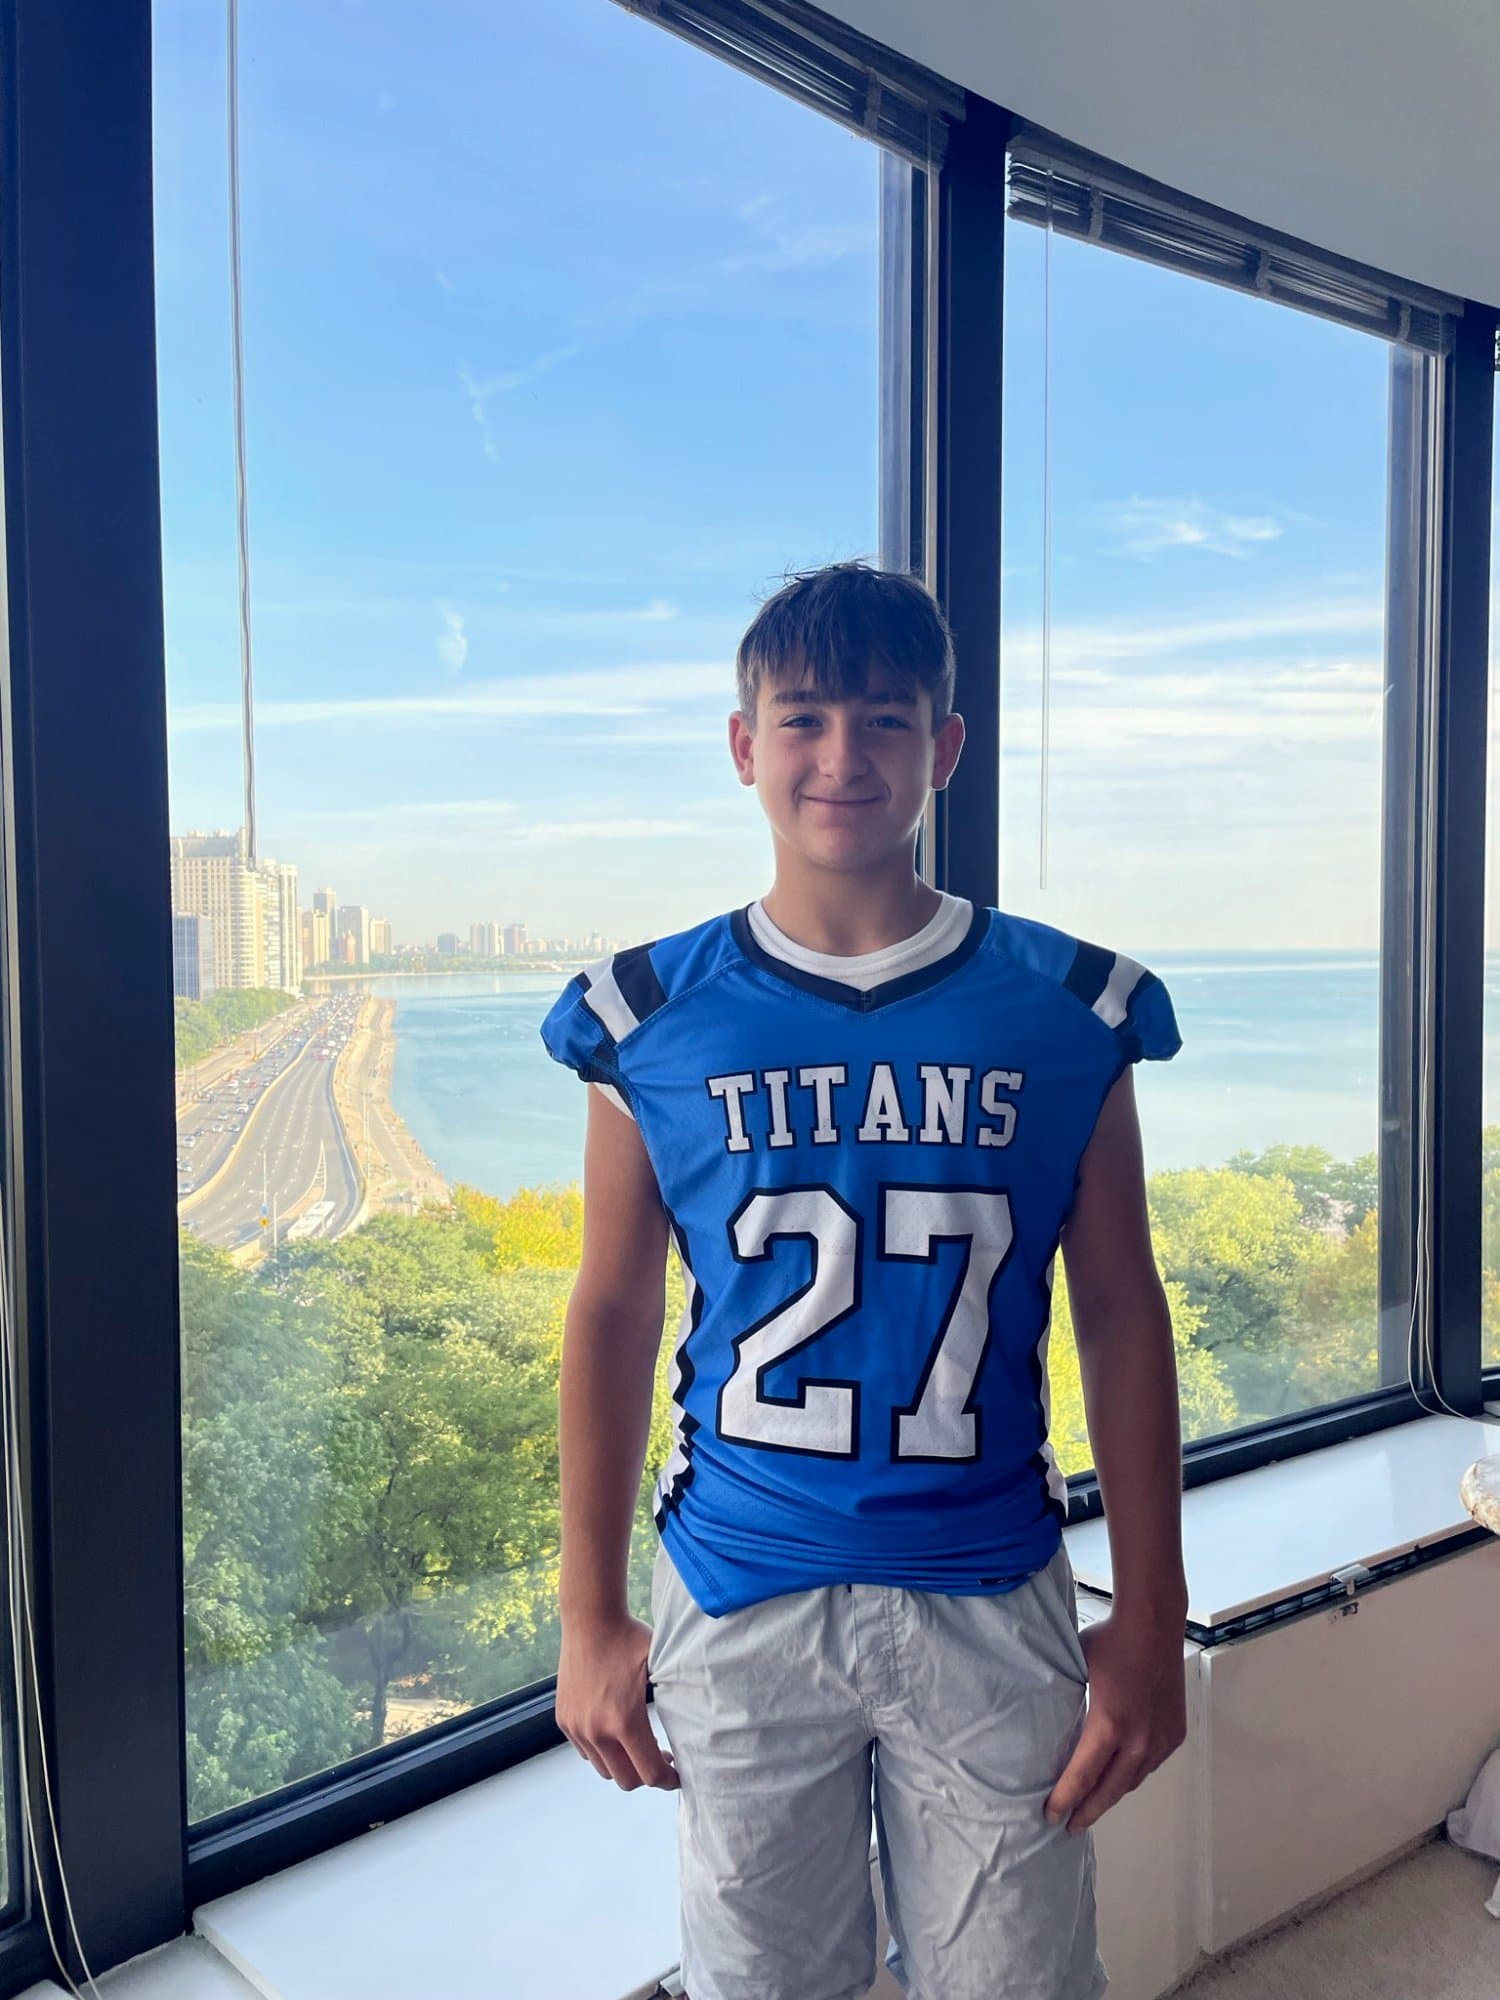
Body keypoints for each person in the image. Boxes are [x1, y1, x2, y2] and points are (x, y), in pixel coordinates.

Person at [540, 560, 1189, 2000]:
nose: (843, 756)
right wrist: (587, 1613)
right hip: (739, 1593)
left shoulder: (1065, 1009)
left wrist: (1153, 1613)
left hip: (988, 1584)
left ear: (944, 747)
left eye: (886, 718)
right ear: (744, 745)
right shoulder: (649, 1016)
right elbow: (611, 1312)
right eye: (805, 718)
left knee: (1019, 1982)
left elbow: (1120, 1313)